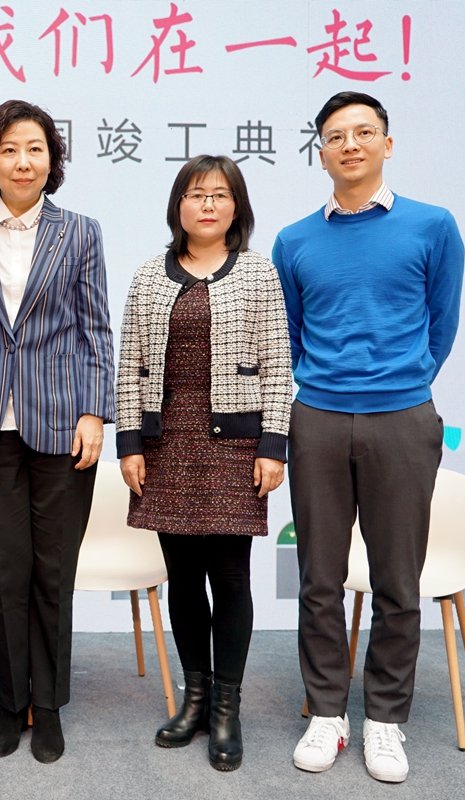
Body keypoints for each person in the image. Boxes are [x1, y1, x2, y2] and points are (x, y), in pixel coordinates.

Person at [273, 91, 464, 783]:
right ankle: (327, 713)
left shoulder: (432, 226)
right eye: (335, 136)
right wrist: (327, 384)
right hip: (318, 419)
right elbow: (292, 333)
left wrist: (401, 382)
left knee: (397, 580)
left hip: (403, 419)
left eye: (363, 132)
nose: (349, 145)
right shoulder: (294, 240)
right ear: (320, 152)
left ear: (387, 143)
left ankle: (384, 719)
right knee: (319, 577)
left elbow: (441, 323)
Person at [0, 99, 115, 764]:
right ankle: (12, 701)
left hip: (62, 423)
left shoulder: (82, 232)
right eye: (9, 149)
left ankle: (51, 704)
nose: (22, 161)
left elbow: (95, 328)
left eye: (35, 148)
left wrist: (94, 411)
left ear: (51, 160)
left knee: (51, 571)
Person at [115, 155, 292, 771]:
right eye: (195, 194)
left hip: (235, 447)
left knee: (232, 578)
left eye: (219, 194)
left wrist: (273, 445)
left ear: (236, 206)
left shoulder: (258, 274)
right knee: (184, 579)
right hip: (166, 446)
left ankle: (226, 709)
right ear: (178, 207)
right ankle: (194, 699)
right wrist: (130, 443)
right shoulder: (148, 276)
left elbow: (279, 364)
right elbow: (129, 363)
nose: (207, 204)